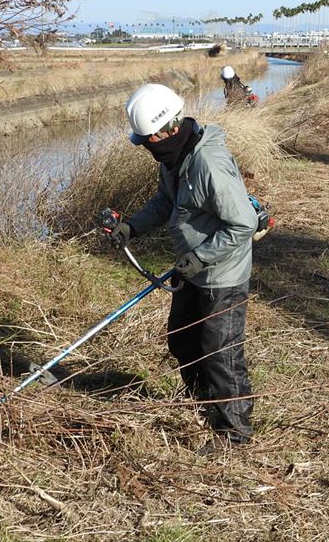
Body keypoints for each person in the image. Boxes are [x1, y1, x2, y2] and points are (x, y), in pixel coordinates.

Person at [108, 83, 259, 452]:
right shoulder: (175, 158)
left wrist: (201, 256)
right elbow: (165, 201)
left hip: (221, 275)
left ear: (171, 129)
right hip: (191, 269)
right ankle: (203, 401)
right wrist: (133, 226)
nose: (148, 147)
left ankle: (234, 432)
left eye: (151, 139)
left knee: (219, 350)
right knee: (182, 339)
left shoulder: (209, 164)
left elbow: (244, 224)